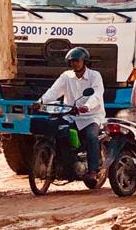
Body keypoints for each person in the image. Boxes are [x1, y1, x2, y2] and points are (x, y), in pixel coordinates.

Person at [35, 47, 104, 183]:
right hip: (70, 115)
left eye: (77, 61)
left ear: (85, 61)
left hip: (91, 116)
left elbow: (96, 95)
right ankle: (67, 165)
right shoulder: (66, 76)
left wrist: (86, 107)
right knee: (60, 133)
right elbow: (54, 91)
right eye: (71, 61)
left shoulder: (95, 76)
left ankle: (93, 171)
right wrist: (40, 102)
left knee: (91, 136)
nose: (74, 64)